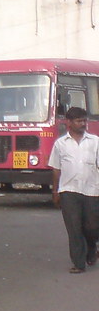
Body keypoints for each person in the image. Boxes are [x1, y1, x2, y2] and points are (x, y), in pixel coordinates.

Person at [48, 106, 99, 273]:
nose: (82, 123)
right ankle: (78, 263)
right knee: (74, 227)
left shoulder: (95, 142)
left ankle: (91, 248)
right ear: (68, 122)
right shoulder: (60, 144)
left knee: (91, 226)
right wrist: (55, 191)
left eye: (84, 120)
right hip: (68, 190)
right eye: (78, 121)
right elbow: (56, 169)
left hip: (92, 190)